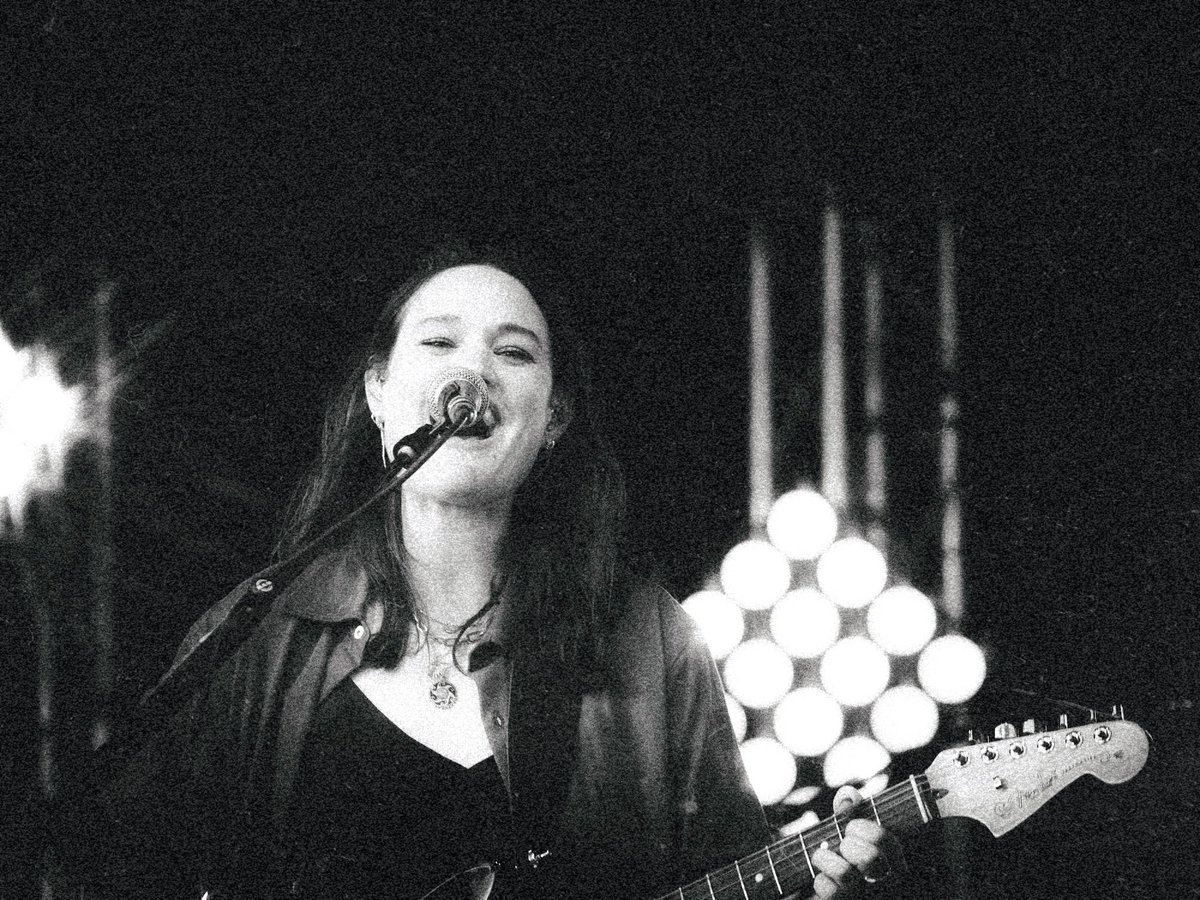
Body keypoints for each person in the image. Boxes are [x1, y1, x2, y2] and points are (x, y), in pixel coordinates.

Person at [62, 249, 894, 899]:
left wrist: (818, 885)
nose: (474, 373)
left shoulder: (649, 641)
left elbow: (730, 864)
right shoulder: (258, 632)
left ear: (553, 419)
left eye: (515, 352)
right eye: (439, 343)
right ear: (381, 397)